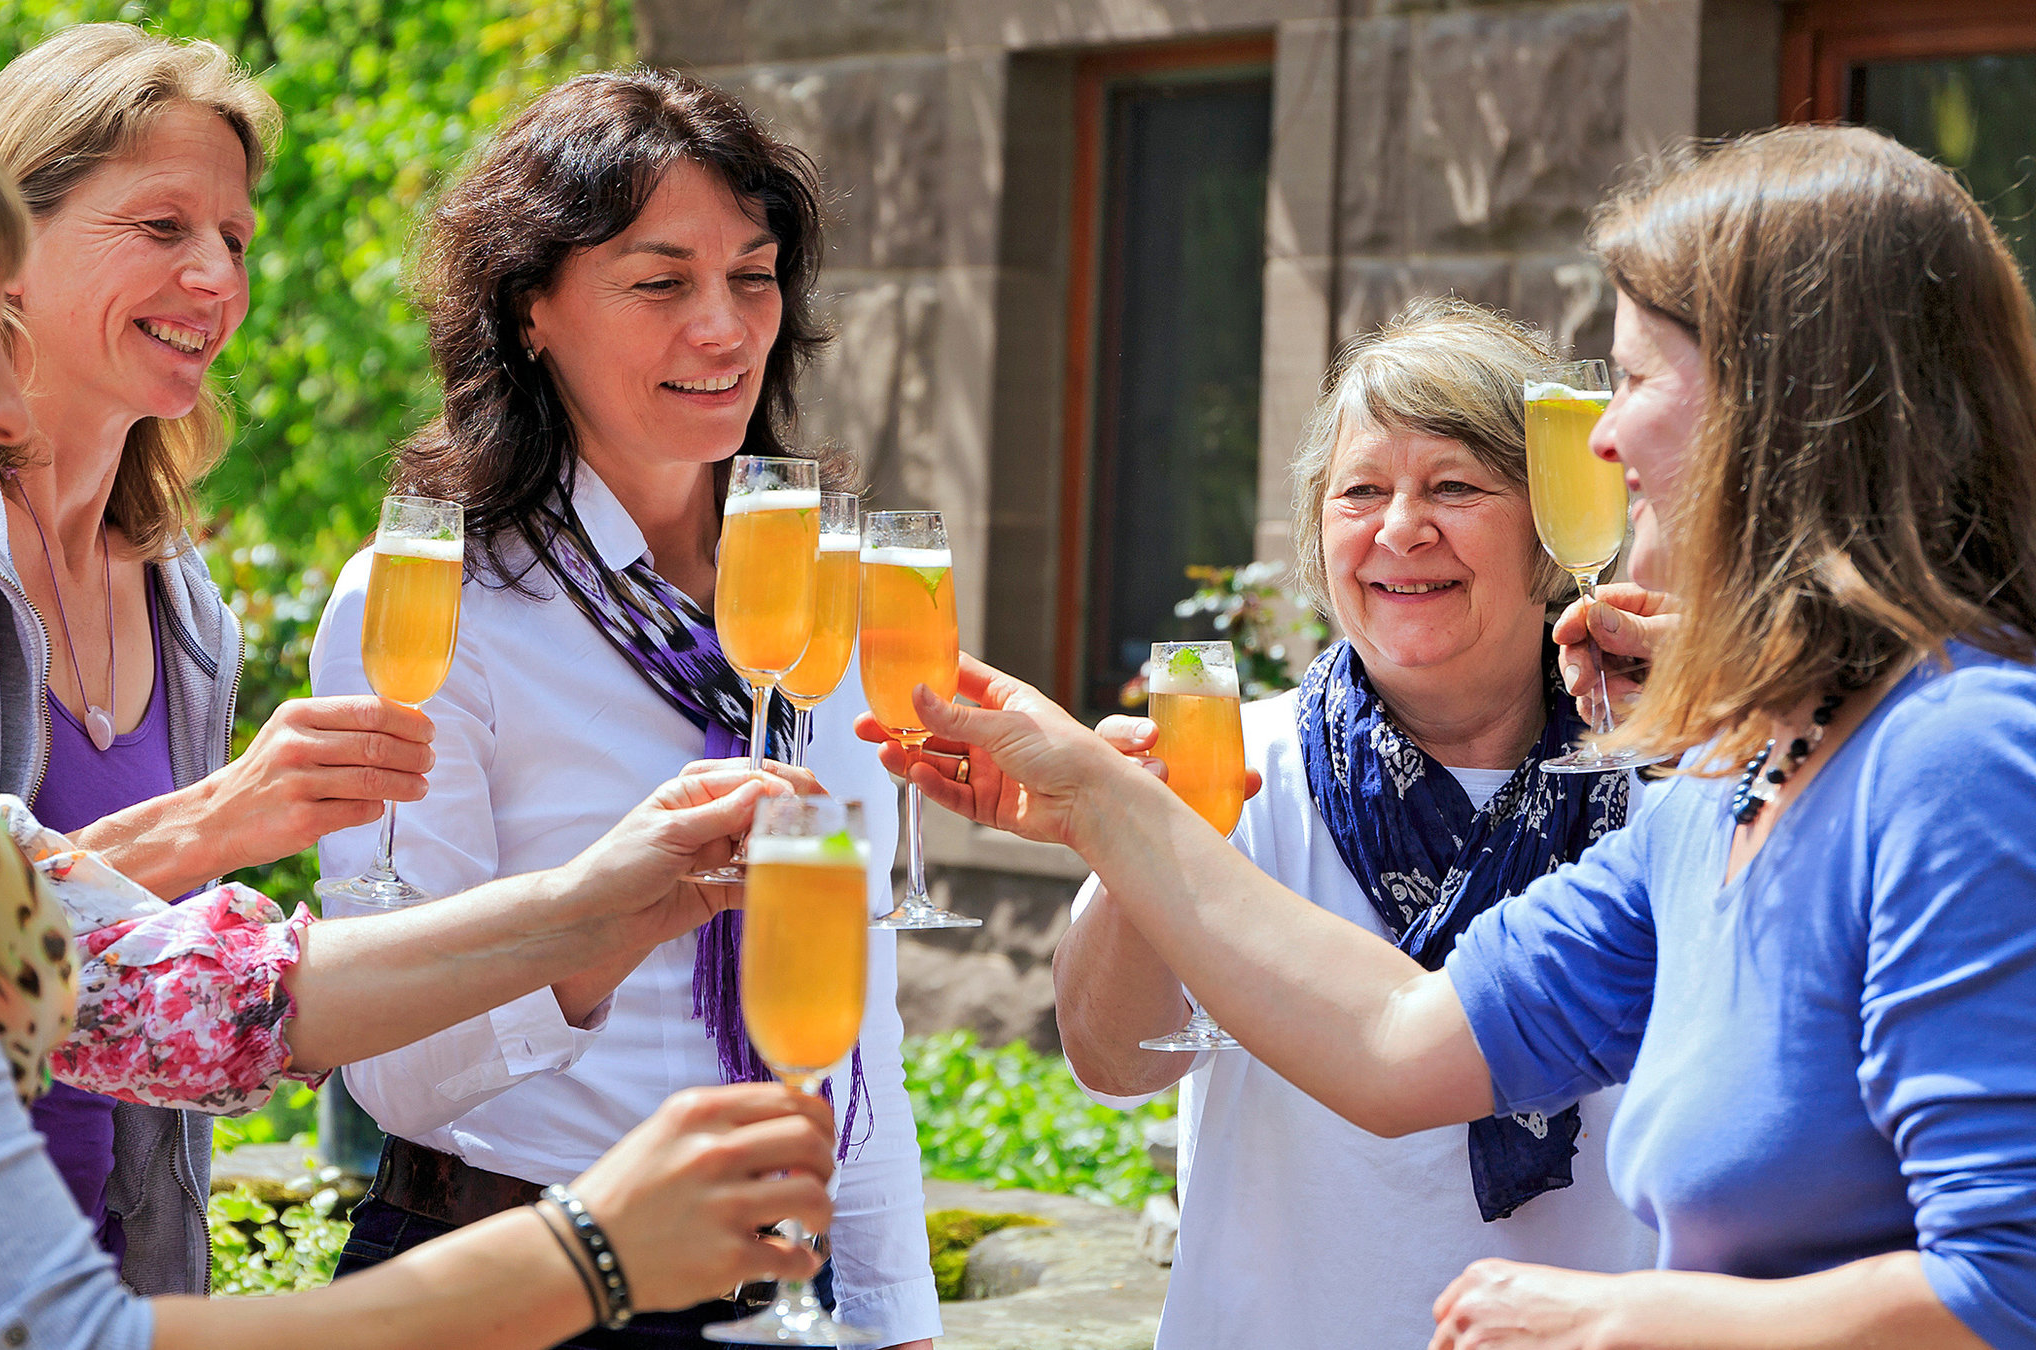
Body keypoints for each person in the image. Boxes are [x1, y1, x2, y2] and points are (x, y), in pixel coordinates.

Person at [0, 64, 839, 1350]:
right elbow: (44, 1335)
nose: (0, 402)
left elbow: (197, 995)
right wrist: (586, 1255)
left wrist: (608, 900)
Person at [864, 123, 2036, 1349]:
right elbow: (1395, 1042)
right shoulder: (1719, 794)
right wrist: (1108, 805)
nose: (1600, 442)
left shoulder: (1958, 759)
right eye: (1362, 492)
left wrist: (1627, 1325)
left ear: (1787, 411)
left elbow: (2007, 1286)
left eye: (1632, 382)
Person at [0, 23, 506, 1291]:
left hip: (120, 1282)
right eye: (162, 228)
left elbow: (143, 987)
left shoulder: (186, 605)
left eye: (235, 240)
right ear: (1, 243)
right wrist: (220, 820)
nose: (216, 276)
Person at [311, 68, 940, 1349]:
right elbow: (387, 1068)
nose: (723, 328)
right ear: (530, 311)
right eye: (660, 284)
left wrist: (892, 1315)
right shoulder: (441, 604)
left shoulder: (832, 602)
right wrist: (601, 928)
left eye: (753, 278)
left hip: (780, 1300)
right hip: (503, 1281)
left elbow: (853, 1009)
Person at [1053, 298, 1656, 1349]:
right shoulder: (1230, 766)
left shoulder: (1657, 776)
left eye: (1457, 487)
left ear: (1557, 525)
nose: (1398, 528)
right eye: (1360, 491)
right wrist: (1138, 835)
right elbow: (1115, 1060)